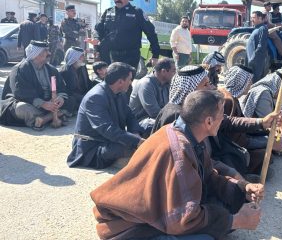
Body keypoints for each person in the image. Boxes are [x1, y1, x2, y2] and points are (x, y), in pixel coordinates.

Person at [90, 90, 264, 240]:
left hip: (155, 212)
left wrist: (242, 187)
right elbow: (182, 220)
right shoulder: (180, 151)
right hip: (130, 227)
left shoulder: (185, 133)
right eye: (221, 115)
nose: (223, 119)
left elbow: (209, 174)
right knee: (208, 235)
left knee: (231, 204)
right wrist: (236, 220)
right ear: (209, 122)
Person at [67, 62, 144, 169]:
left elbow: (129, 115)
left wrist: (136, 133)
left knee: (147, 129)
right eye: (130, 79)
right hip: (93, 146)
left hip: (109, 139)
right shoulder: (95, 97)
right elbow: (108, 129)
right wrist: (136, 141)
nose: (131, 82)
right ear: (120, 82)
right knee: (129, 145)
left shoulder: (119, 92)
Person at [2, 41, 74, 130]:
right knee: (22, 108)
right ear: (36, 54)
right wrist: (42, 103)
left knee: (71, 100)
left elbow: (61, 87)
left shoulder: (51, 69)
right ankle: (55, 115)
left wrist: (60, 97)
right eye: (46, 51)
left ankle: (43, 119)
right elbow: (20, 92)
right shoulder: (20, 69)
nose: (49, 53)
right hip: (28, 102)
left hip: (49, 102)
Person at [90, 0, 160, 69]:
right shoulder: (108, 12)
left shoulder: (137, 13)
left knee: (124, 82)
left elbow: (151, 33)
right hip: (109, 56)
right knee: (109, 81)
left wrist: (155, 55)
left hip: (130, 57)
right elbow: (97, 29)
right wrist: (96, 39)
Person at [129, 58, 176, 137]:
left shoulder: (167, 83)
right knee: (164, 127)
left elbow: (171, 105)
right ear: (164, 71)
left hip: (159, 117)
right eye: (173, 71)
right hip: (140, 121)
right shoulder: (146, 84)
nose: (175, 73)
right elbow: (154, 112)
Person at [246, 11, 269, 83]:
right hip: (253, 61)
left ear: (260, 18)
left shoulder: (262, 28)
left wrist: (253, 59)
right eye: (251, 18)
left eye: (253, 18)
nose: (251, 20)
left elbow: (261, 46)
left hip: (256, 61)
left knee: (255, 81)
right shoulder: (256, 28)